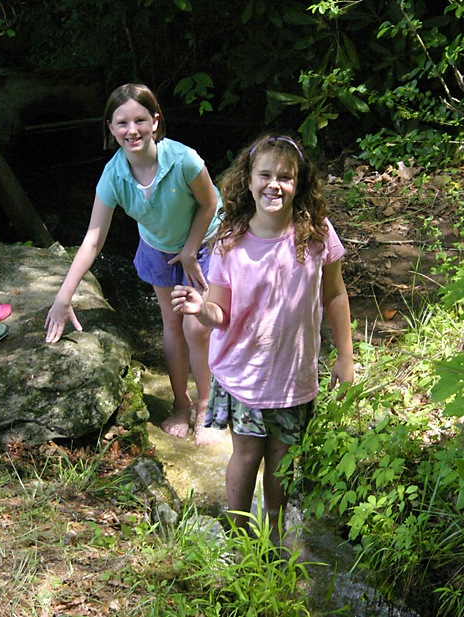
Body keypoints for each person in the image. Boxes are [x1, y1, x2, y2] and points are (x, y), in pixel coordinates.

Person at [171, 133, 354, 545]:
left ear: (299, 184)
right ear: (248, 182)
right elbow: (221, 314)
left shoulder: (317, 233)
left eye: (285, 177)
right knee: (248, 454)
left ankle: (272, 539)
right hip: (245, 377)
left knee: (282, 462)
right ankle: (236, 536)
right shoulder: (231, 242)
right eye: (265, 175)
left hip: (295, 378)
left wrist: (345, 356)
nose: (275, 184)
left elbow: (335, 293)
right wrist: (200, 309)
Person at [45, 83, 223, 446]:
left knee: (197, 327)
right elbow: (93, 239)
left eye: (140, 120)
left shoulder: (184, 160)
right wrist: (63, 298)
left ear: (155, 122)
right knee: (171, 325)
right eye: (122, 122)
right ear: (110, 128)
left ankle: (206, 404)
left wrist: (190, 249)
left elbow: (211, 204)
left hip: (203, 242)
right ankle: (180, 402)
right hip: (157, 249)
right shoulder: (113, 176)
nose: (132, 130)